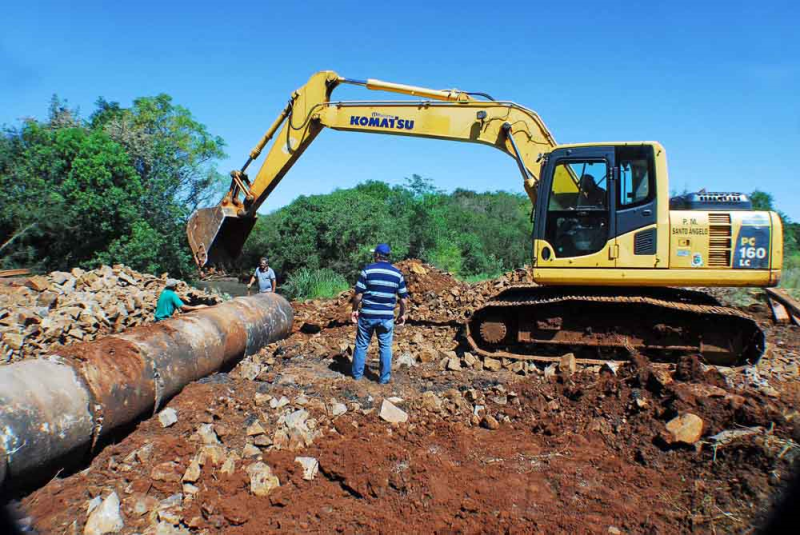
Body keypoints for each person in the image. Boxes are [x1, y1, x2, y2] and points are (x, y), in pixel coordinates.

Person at [350, 243, 409, 384]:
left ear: (377, 255)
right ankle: (384, 379)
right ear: (387, 256)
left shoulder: (367, 271)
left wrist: (354, 310)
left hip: (367, 316)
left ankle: (357, 377)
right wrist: (402, 315)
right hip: (386, 317)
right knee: (385, 347)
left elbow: (358, 296)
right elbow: (403, 300)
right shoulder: (397, 274)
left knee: (362, 345)